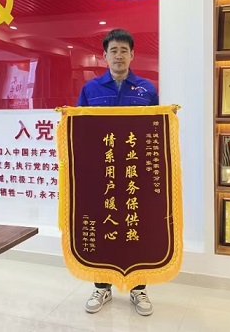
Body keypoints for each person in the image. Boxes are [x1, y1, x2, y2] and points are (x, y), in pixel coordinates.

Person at [77, 28, 159, 316]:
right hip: (103, 173)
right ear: (104, 56)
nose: (119, 55)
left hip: (136, 174)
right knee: (104, 227)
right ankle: (102, 286)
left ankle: (138, 288)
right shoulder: (91, 90)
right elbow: (79, 131)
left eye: (124, 50)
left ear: (132, 54)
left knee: (137, 227)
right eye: (113, 50)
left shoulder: (147, 89)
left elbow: (155, 131)